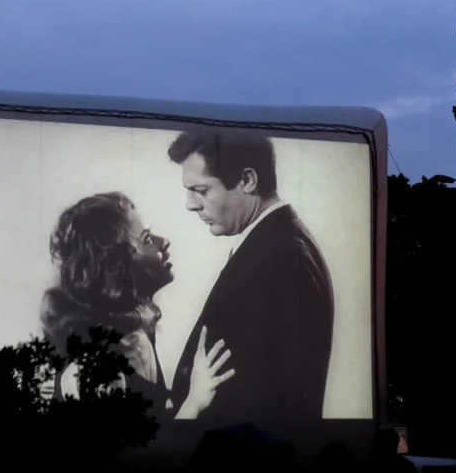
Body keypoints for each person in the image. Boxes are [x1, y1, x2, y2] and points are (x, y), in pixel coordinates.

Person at [166, 128, 335, 425]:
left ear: (247, 180)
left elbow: (259, 399)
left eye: (201, 190)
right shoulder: (279, 242)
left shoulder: (279, 257)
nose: (190, 204)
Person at [39, 191, 234, 420]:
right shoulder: (95, 366)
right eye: (147, 239)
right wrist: (194, 402)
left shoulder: (137, 334)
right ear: (119, 265)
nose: (165, 241)